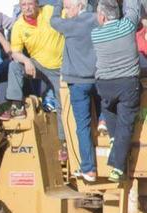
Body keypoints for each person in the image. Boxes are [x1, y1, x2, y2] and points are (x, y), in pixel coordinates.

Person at [2, 0, 68, 161]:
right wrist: (26, 60)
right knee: (14, 66)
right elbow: (15, 52)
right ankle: (17, 107)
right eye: (23, 5)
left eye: (30, 4)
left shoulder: (50, 11)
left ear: (37, 4)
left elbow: (71, 16)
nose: (27, 8)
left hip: (61, 67)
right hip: (37, 65)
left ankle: (64, 144)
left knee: (63, 106)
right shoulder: (19, 25)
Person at [50, 0, 99, 181]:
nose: (66, 11)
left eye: (68, 7)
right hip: (97, 79)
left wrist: (57, 5)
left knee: (83, 127)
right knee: (107, 117)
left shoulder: (71, 25)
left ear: (79, 7)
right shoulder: (97, 19)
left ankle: (89, 168)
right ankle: (102, 122)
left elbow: (53, 21)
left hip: (78, 83)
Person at [92, 0, 140, 182]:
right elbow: (134, 9)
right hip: (128, 84)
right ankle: (117, 168)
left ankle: (114, 139)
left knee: (108, 108)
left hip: (105, 85)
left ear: (102, 16)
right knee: (126, 123)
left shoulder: (96, 34)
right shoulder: (127, 27)